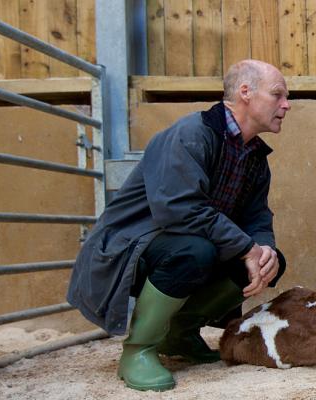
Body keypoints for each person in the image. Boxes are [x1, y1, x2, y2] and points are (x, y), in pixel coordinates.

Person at [67, 59, 291, 391]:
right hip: (126, 250)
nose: (287, 105)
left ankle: (180, 333)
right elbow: (179, 210)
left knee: (268, 261)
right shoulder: (191, 134)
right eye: (278, 95)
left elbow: (257, 216)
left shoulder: (254, 156)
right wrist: (246, 247)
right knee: (194, 251)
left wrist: (264, 248)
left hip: (176, 245)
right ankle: (137, 350)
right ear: (246, 92)